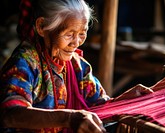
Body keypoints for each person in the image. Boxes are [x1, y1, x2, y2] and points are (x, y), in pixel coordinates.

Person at [0, 0, 153, 133]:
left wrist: (125, 99)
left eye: (82, 33)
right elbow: (10, 114)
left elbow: (99, 106)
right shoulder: (25, 63)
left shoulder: (78, 66)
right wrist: (69, 118)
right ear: (41, 27)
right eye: (69, 34)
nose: (76, 42)